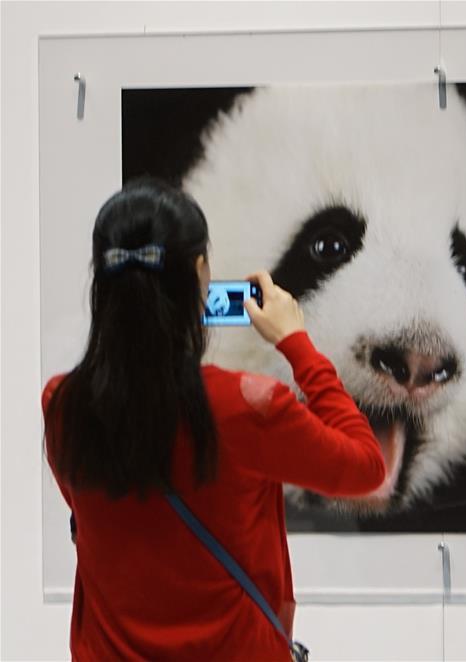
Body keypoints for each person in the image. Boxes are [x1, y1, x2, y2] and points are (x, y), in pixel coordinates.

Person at [42, 178, 386, 661]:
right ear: (201, 272)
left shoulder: (61, 404)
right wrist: (297, 346)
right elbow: (367, 466)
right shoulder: (246, 405)